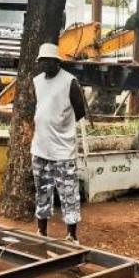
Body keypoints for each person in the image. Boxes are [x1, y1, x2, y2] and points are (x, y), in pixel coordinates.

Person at [30, 42, 88, 243]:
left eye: (48, 61)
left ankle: (71, 235)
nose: (45, 64)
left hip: (63, 150)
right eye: (42, 61)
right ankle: (41, 232)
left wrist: (62, 124)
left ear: (57, 62)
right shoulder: (37, 81)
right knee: (42, 192)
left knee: (69, 194)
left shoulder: (69, 82)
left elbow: (80, 111)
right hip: (40, 148)